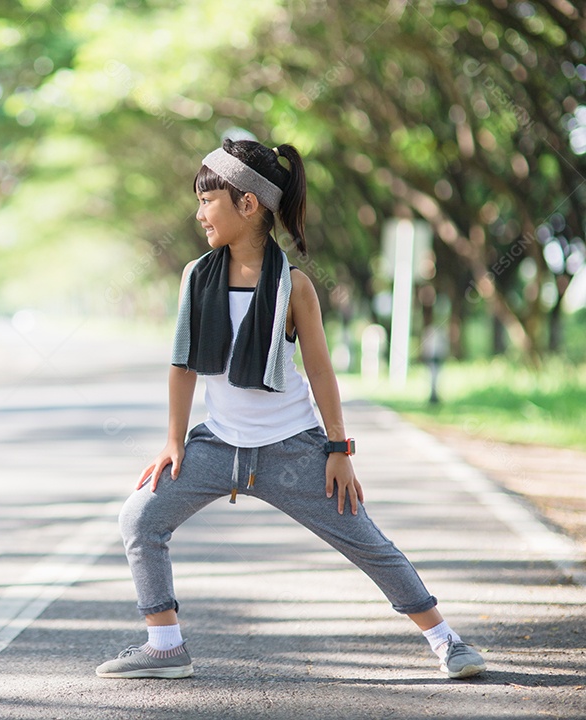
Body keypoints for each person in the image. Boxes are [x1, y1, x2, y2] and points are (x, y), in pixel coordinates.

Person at [95, 138, 486, 681]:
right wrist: (174, 441)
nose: (200, 212)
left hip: (292, 448)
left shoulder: (294, 287)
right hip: (219, 446)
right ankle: (165, 646)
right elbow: (183, 363)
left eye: (209, 200)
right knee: (140, 516)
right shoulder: (195, 276)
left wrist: (338, 448)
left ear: (248, 204)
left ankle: (447, 642)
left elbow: (321, 372)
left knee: (367, 542)